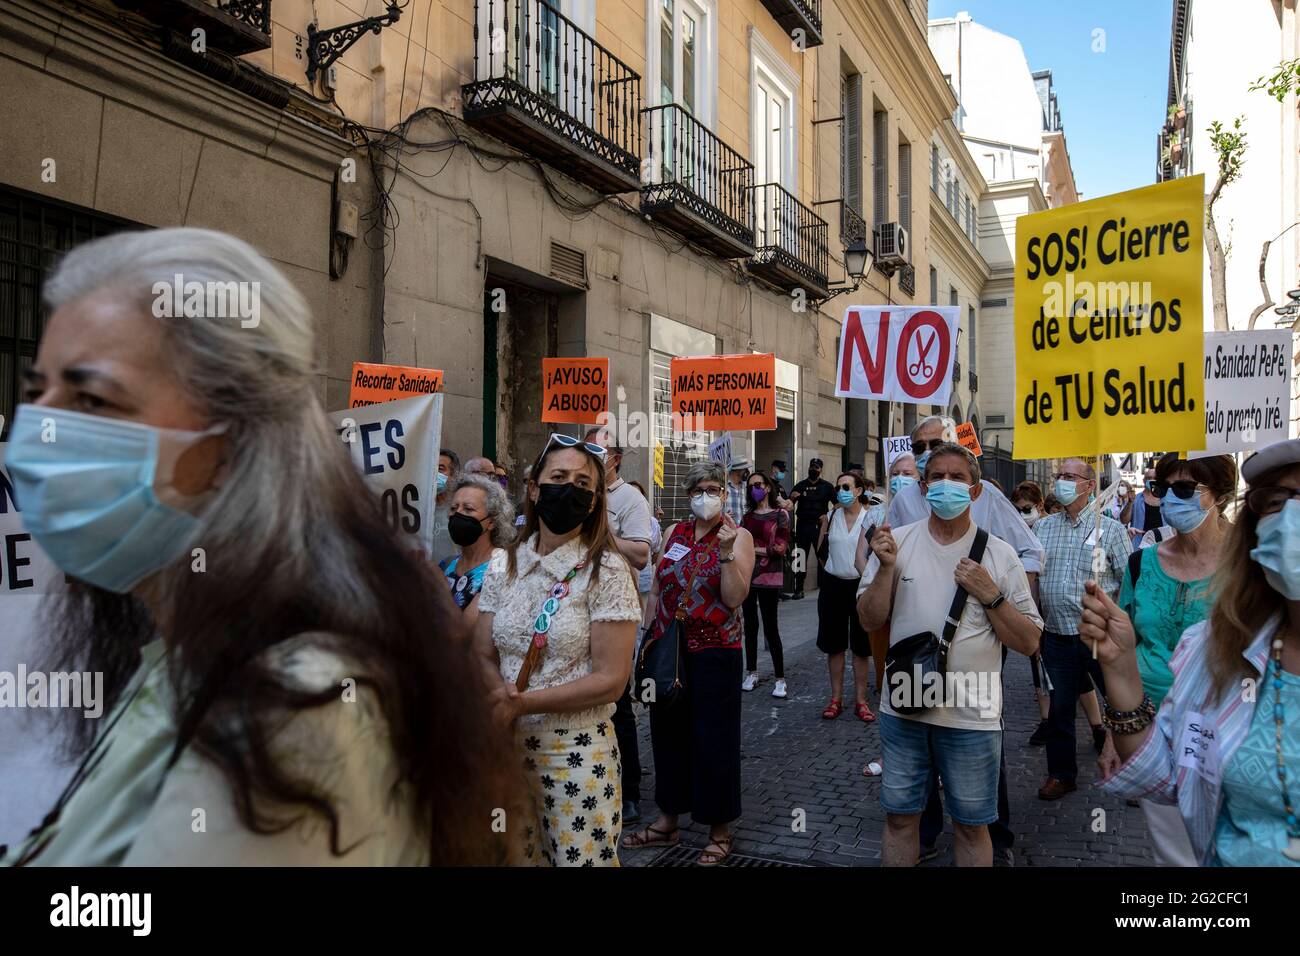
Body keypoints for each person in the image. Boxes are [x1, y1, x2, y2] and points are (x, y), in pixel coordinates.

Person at [0, 228, 515, 866]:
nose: (40, 429)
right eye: (36, 392)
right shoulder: (172, 664)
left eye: (91, 397)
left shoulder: (295, 714)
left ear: (231, 444)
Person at [1085, 437, 1300, 866]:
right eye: (1277, 501)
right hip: (1164, 722)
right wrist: (1121, 676)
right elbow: (1167, 776)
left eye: (1186, 490)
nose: (1292, 515)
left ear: (1220, 498)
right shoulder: (1216, 644)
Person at [857, 442, 1042, 867]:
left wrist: (991, 595)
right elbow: (869, 620)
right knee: (901, 820)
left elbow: (1029, 642)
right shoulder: (895, 544)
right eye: (936, 476)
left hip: (972, 716)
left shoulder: (1000, 555)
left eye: (957, 477)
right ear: (923, 488)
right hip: (904, 709)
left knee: (971, 826)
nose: (946, 484)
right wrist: (885, 569)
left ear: (975, 491)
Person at [473, 433, 642, 866]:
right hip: (507, 747)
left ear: (595, 499)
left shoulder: (608, 570)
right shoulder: (503, 563)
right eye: (559, 477)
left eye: (584, 484)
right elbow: (482, 653)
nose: (570, 488)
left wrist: (523, 702)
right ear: (534, 488)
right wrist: (501, 700)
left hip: (576, 753)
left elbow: (611, 680)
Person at [622, 461, 755, 866]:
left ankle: (718, 830)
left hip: (716, 652)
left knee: (713, 739)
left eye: (714, 488)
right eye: (699, 489)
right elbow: (660, 584)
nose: (706, 496)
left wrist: (728, 554)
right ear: (688, 493)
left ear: (723, 494)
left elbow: (734, 598)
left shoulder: (739, 535)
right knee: (667, 734)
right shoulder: (673, 532)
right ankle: (668, 819)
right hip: (669, 649)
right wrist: (645, 639)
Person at [1115, 452, 1236, 866]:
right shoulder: (1141, 562)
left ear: (1219, 495)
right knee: (1174, 855)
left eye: (1185, 489)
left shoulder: (1250, 563)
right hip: (1153, 731)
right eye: (1162, 489)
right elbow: (1123, 648)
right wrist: (1118, 727)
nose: (1170, 498)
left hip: (1228, 731)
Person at [1033, 456, 1131, 800]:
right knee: (1060, 710)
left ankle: (1136, 771)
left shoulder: (1112, 531)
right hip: (1056, 636)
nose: (1060, 480)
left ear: (1090, 486)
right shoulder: (1043, 528)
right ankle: (1061, 775)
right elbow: (1033, 576)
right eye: (1059, 475)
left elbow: (1128, 584)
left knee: (1123, 704)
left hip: (1098, 637)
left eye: (1069, 476)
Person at [584, 427, 655, 827]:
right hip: (576, 608)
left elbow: (643, 555)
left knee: (618, 702)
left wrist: (602, 531)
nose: (594, 455)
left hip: (614, 609)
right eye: (589, 447)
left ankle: (630, 792)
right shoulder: (580, 491)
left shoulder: (631, 499)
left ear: (615, 457)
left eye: (601, 449)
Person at [888, 417, 1045, 581]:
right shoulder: (902, 500)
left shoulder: (989, 496)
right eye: (919, 447)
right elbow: (890, 554)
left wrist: (1001, 597)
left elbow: (1030, 553)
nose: (928, 452)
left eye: (936, 445)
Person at [1014, 479, 1106, 751]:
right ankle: (1057, 755)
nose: (1021, 514)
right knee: (1052, 691)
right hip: (1048, 625)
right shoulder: (1039, 529)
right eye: (1016, 509)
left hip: (1086, 628)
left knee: (1099, 688)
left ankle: (1108, 735)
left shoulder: (1103, 528)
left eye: (1026, 508)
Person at [816, 472, 876, 721]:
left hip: (860, 586)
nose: (840, 491)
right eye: (839, 487)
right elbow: (821, 550)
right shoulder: (831, 515)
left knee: (861, 647)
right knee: (835, 645)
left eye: (846, 486)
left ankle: (861, 700)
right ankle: (836, 698)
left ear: (859, 490)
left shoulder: (870, 517)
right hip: (833, 586)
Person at [440, 473, 516, 632]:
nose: (458, 514)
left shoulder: (500, 568)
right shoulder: (446, 565)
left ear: (492, 522)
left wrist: (438, 586)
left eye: (468, 509)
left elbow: (460, 634)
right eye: (454, 508)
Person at [741, 471, 790, 697]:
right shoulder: (748, 517)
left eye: (758, 484)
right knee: (750, 627)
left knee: (772, 628)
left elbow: (780, 549)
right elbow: (740, 545)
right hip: (748, 575)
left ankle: (780, 678)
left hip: (770, 577)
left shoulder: (780, 515)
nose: (755, 489)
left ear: (768, 487)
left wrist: (753, 549)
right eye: (751, 486)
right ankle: (751, 671)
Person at [790, 457, 835, 599]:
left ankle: (827, 586)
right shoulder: (800, 485)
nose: (813, 470)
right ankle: (798, 588)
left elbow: (837, 504)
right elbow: (789, 505)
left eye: (816, 467)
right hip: (803, 525)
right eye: (811, 467)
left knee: (822, 555)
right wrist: (791, 498)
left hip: (819, 526)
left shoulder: (827, 487)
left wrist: (827, 516)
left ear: (821, 470)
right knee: (800, 556)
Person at [432, 448, 462, 565]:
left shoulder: (460, 511)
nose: (434, 473)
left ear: (453, 475)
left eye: (440, 469)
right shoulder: (418, 509)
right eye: (431, 468)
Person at [1129, 464, 1164, 548]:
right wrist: (1129, 503)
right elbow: (1124, 520)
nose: (1152, 480)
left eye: (1154, 478)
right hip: (1140, 545)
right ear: (1144, 480)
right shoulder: (1136, 499)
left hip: (1164, 544)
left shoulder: (1166, 498)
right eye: (1149, 478)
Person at [725, 457, 751, 525]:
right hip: (728, 530)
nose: (747, 472)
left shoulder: (746, 486)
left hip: (744, 530)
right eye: (745, 469)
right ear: (737, 470)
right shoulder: (723, 487)